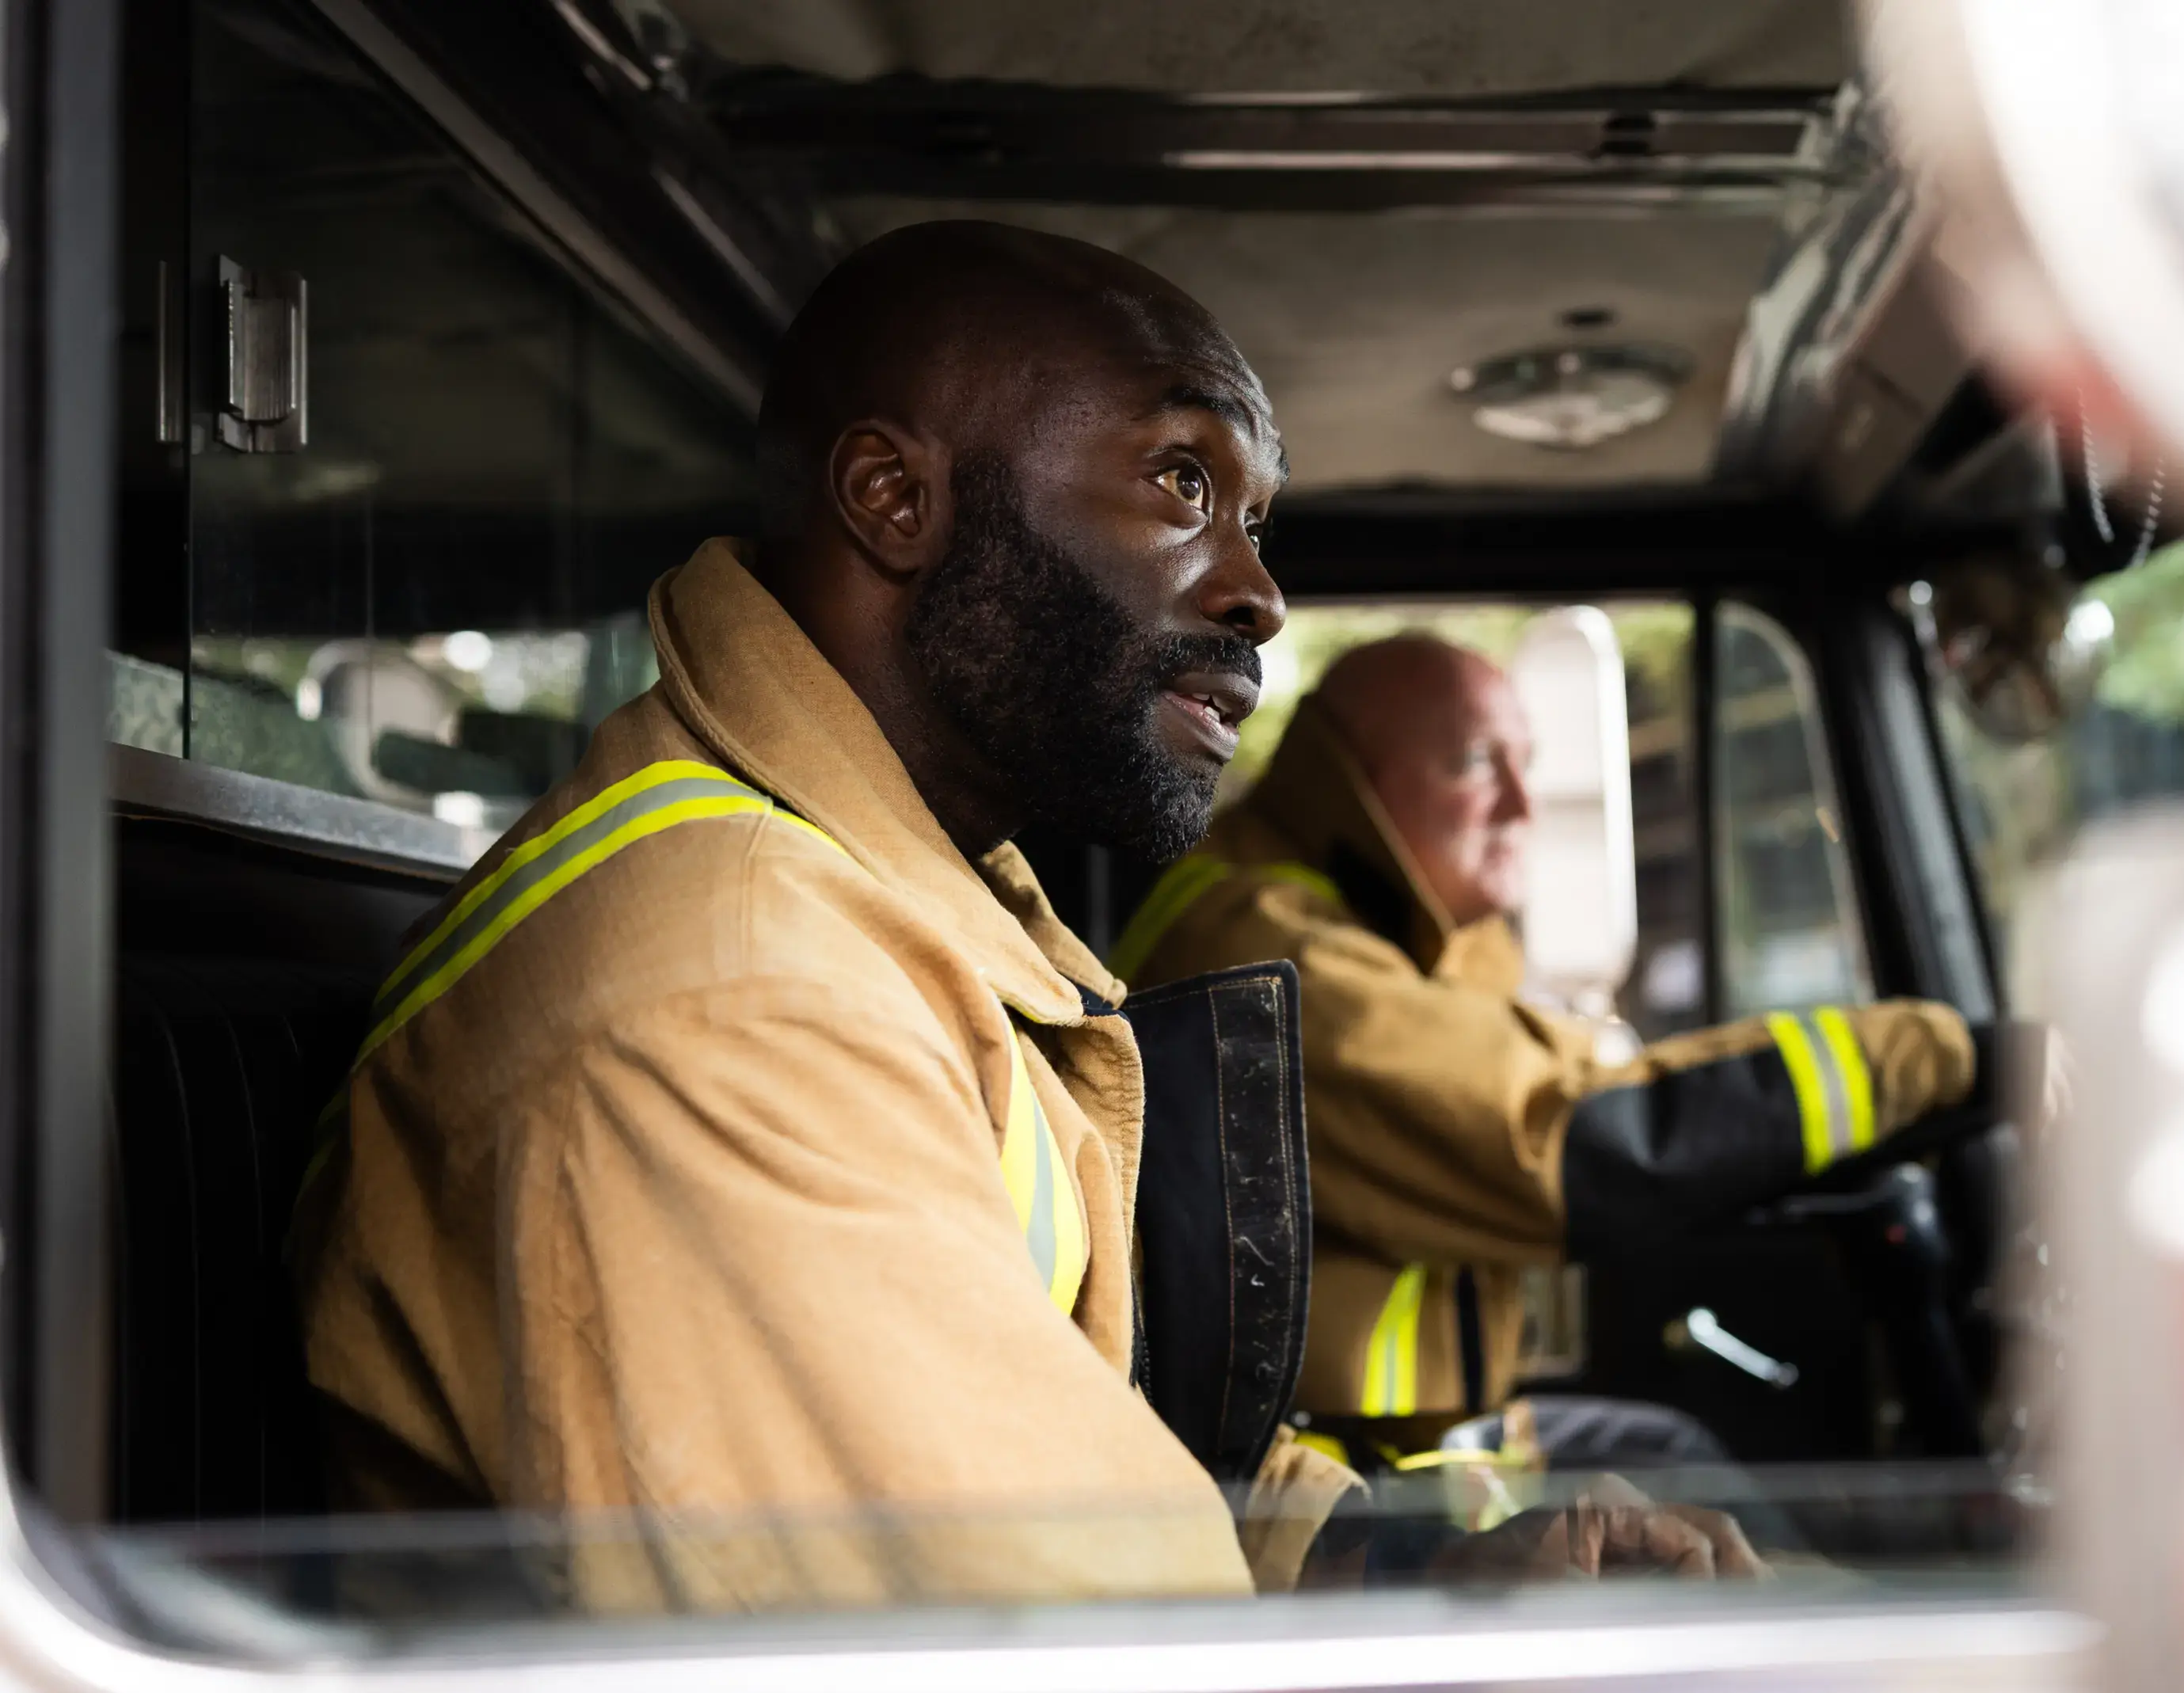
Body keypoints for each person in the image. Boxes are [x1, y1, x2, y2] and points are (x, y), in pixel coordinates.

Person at [291, 222, 1752, 1610]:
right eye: (1182, 483)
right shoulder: (731, 1003)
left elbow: (1085, 1431)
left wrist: (1411, 1574)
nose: (1258, 594)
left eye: (1256, 516)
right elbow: (1035, 1639)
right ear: (894, 499)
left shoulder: (887, 901)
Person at [1109, 632, 1986, 1462]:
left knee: (1677, 1455)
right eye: (1476, 762)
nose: (1523, 806)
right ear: (1350, 783)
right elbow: (1565, 1138)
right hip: (1322, 1481)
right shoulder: (1271, 951)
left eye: (1525, 763)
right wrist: (1935, 1054)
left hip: (1405, 1444)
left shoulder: (1383, 939)